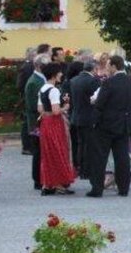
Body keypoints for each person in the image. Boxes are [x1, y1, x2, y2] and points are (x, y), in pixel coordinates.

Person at [87, 55, 131, 198]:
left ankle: (97, 188)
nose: (107, 68)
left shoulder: (109, 83)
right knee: (122, 157)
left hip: (106, 124)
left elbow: (100, 104)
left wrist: (94, 120)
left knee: (100, 157)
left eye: (109, 65)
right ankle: (123, 188)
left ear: (114, 66)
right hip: (125, 123)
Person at [37, 63, 75, 196]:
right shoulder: (54, 90)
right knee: (59, 151)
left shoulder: (42, 89)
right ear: (54, 74)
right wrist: (65, 107)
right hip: (54, 124)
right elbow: (56, 111)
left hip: (45, 123)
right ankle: (59, 183)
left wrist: (47, 113)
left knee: (48, 153)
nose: (61, 74)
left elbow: (40, 109)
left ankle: (47, 183)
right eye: (59, 73)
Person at [68, 60, 100, 179]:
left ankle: (80, 167)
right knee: (89, 144)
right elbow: (97, 98)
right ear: (94, 69)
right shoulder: (93, 81)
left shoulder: (74, 80)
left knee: (81, 143)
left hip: (77, 115)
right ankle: (87, 170)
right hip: (89, 116)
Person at [23, 53, 50, 191]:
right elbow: (32, 105)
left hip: (42, 121)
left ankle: (43, 177)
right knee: (38, 152)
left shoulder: (41, 79)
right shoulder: (34, 81)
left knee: (42, 151)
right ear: (40, 66)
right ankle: (37, 180)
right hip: (36, 123)